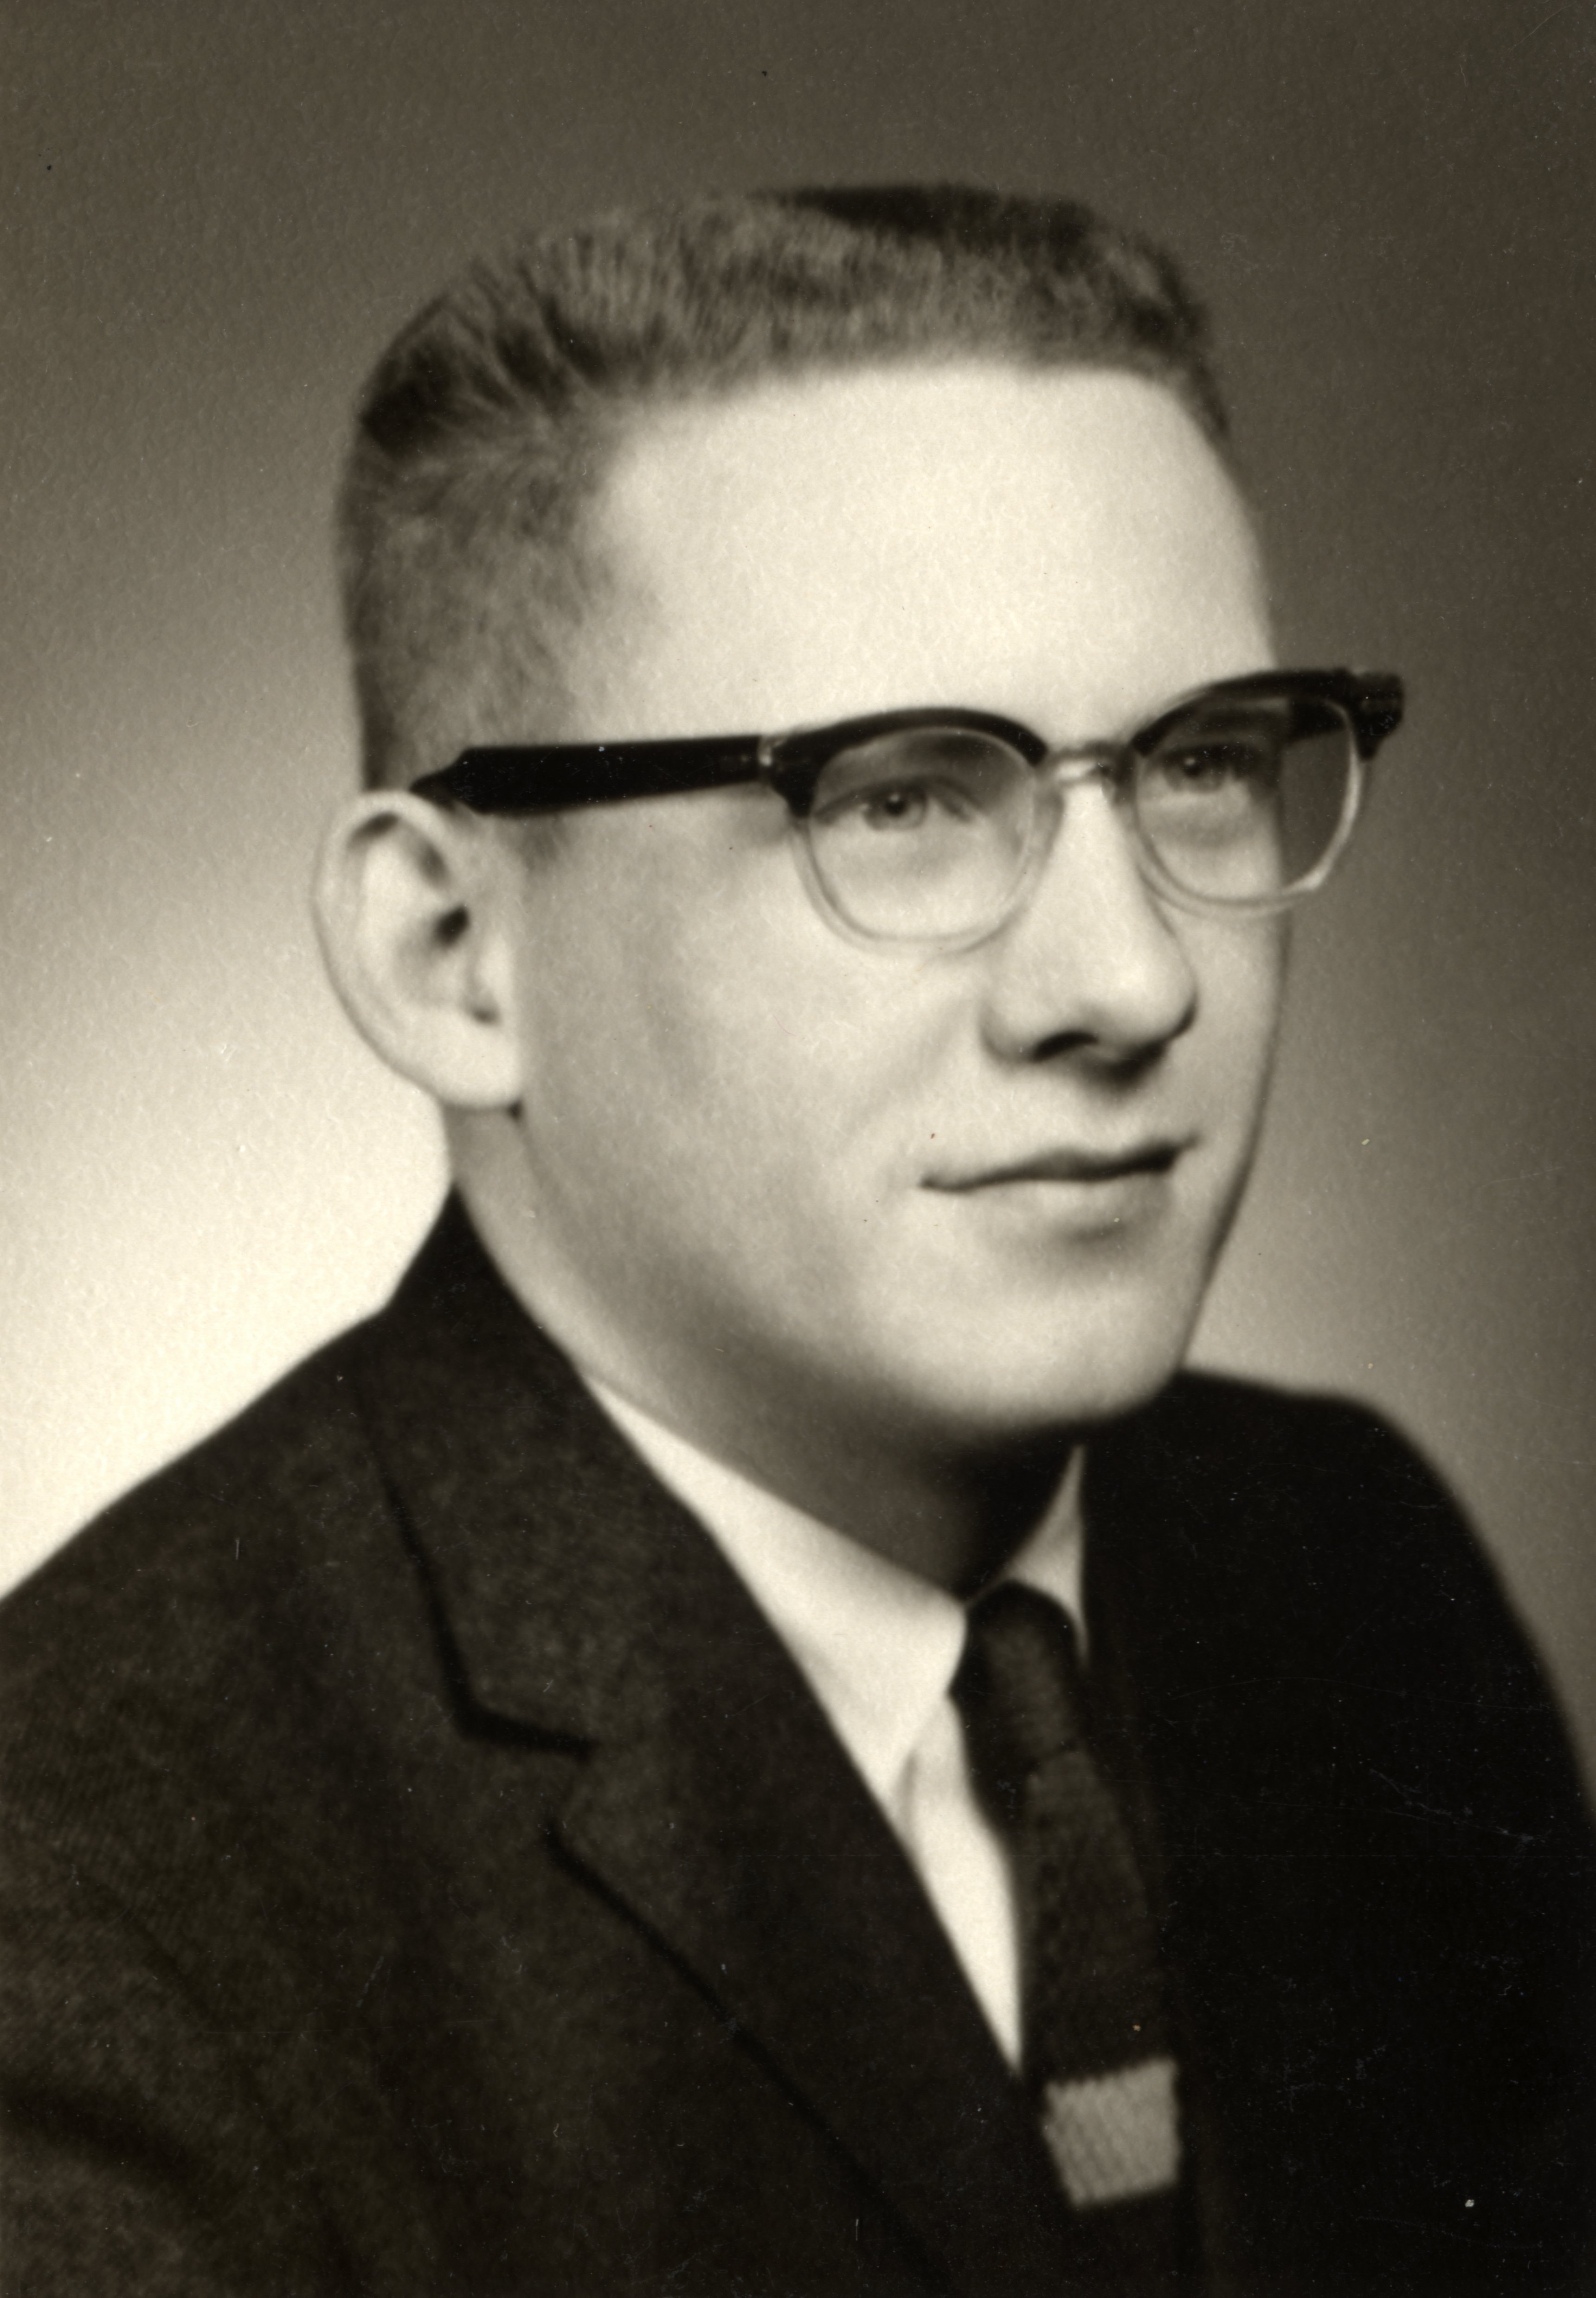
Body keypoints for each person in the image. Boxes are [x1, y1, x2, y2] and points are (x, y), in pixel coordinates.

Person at [2, 187, 1592, 2298]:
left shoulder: (1350, 1569)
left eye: (1202, 764)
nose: (1129, 982)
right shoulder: (89, 1894)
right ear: (450, 951)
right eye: (898, 797)